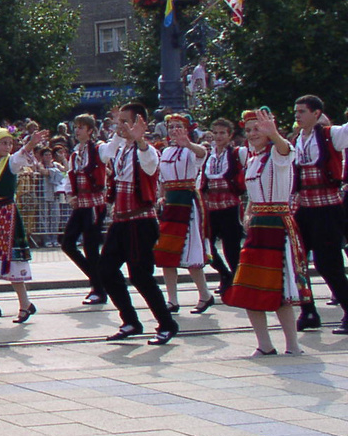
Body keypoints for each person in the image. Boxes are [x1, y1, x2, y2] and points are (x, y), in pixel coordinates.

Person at [225, 108, 306, 356]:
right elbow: (251, 194)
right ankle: (264, 345)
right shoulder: (251, 159)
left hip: (277, 226)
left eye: (256, 129)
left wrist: (275, 135)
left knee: (279, 288)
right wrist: (248, 213)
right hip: (257, 227)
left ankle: (293, 345)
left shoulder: (278, 153)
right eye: (248, 130)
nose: (252, 134)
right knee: (248, 288)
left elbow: (285, 151)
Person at [98, 103, 178, 345]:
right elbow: (107, 152)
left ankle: (166, 323)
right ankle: (130, 320)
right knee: (106, 270)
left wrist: (141, 141)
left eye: (125, 121)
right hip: (121, 221)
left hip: (140, 222)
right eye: (118, 121)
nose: (120, 126)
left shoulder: (147, 151)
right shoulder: (121, 149)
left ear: (138, 124)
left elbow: (150, 163)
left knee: (141, 275)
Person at [290, 95, 347, 333]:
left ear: (316, 113)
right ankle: (308, 311)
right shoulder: (296, 140)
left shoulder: (329, 134)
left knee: (328, 264)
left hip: (327, 207)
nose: (297, 116)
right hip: (304, 207)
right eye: (296, 112)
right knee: (298, 262)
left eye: (302, 111)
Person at [0, 128, 42, 323]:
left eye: (9, 143)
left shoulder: (11, 162)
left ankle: (24, 304)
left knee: (13, 262)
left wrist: (31, 143)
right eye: (3, 143)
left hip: (7, 215)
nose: (7, 147)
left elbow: (21, 154)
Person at [152, 113, 210, 315]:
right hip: (170, 203)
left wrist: (188, 144)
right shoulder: (166, 151)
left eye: (179, 126)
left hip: (187, 202)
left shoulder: (191, 151)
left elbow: (202, 155)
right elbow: (161, 179)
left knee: (191, 251)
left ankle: (204, 294)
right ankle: (172, 300)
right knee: (166, 252)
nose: (174, 130)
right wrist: (161, 197)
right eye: (171, 127)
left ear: (187, 129)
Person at [61, 114, 110, 306]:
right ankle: (98, 280)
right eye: (76, 127)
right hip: (81, 203)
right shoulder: (76, 153)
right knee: (67, 243)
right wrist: (70, 195)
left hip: (94, 204)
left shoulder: (99, 149)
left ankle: (99, 289)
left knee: (91, 247)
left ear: (90, 130)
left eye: (81, 127)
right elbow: (70, 176)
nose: (77, 130)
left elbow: (113, 148)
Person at [200, 117, 246, 308]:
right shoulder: (208, 155)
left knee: (231, 247)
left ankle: (236, 282)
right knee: (206, 247)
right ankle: (225, 274)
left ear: (230, 135)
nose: (218, 137)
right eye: (216, 133)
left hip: (229, 205)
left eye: (222, 133)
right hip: (211, 206)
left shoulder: (236, 153)